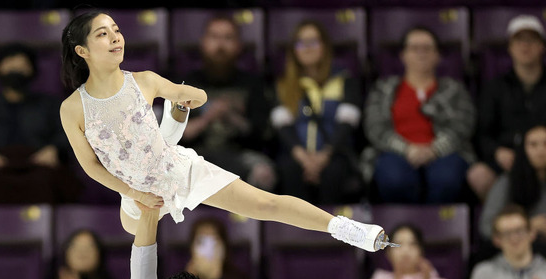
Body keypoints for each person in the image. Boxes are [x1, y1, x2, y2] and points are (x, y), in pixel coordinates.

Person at [59, 11, 391, 253]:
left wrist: (185, 101)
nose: (116, 37)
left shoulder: (144, 80)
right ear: (82, 51)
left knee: (265, 204)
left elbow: (197, 97)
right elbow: (91, 167)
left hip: (176, 168)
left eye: (116, 29)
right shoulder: (73, 108)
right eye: (103, 33)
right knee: (143, 253)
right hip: (135, 194)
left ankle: (342, 227)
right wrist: (135, 195)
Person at [363, 26, 476, 204]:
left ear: (438, 55)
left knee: (447, 179)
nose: (421, 54)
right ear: (403, 55)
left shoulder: (454, 89)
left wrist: (434, 150)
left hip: (445, 152)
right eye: (414, 48)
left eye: (427, 48)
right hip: (395, 151)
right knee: (394, 179)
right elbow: (375, 127)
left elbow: (462, 126)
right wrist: (407, 150)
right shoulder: (383, 88)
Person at [0, 43, 80, 204]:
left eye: (22, 66)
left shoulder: (50, 105)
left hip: (38, 164)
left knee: (47, 180)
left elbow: (66, 133)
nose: (15, 71)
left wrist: (54, 149)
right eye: (10, 66)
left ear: (32, 71)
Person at [273, 19, 364, 204]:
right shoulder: (284, 86)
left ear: (325, 46)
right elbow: (282, 126)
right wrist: (304, 158)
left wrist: (323, 157)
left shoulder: (344, 81)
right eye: (301, 43)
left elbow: (346, 124)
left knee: (334, 171)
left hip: (334, 154)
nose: (307, 48)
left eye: (313, 42)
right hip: (297, 156)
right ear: (293, 50)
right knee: (289, 170)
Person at [181, 15, 276, 191]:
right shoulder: (185, 84)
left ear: (239, 45)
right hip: (193, 155)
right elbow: (173, 134)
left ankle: (253, 219)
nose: (220, 45)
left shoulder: (252, 85)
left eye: (228, 38)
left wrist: (230, 116)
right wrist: (208, 117)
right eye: (214, 37)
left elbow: (261, 134)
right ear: (203, 42)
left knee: (264, 173)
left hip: (239, 154)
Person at [474, 15, 546, 200]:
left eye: (531, 40)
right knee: (478, 175)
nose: (525, 46)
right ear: (510, 48)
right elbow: (482, 133)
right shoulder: (494, 87)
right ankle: (501, 224)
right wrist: (497, 152)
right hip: (506, 161)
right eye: (519, 40)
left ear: (541, 47)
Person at [479, 126, 546, 242]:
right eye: (533, 145)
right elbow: (486, 226)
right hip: (517, 250)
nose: (541, 150)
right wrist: (526, 227)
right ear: (523, 149)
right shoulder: (508, 182)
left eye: (545, 144)